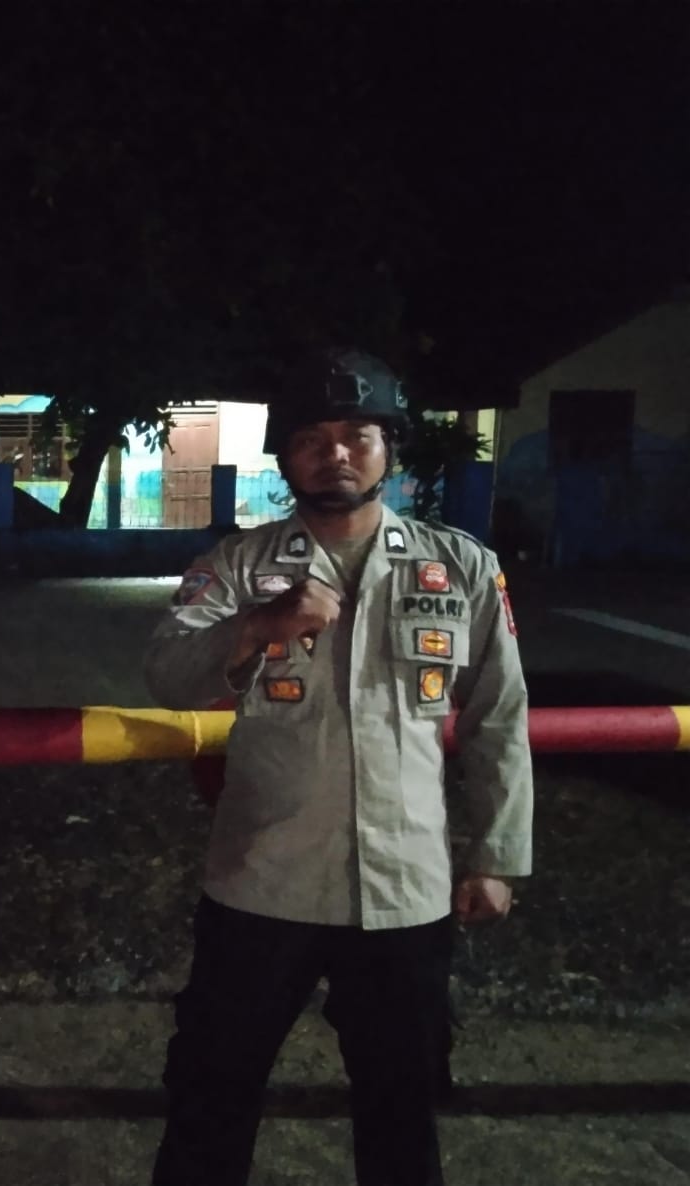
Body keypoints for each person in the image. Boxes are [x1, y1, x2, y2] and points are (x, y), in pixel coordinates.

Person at [144, 348, 532, 1186]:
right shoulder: (239, 565)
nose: (336, 454)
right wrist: (256, 626)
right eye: (311, 439)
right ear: (285, 457)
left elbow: (499, 717)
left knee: (402, 1110)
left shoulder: (461, 567)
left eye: (358, 434)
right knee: (211, 1099)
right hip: (262, 885)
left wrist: (496, 856)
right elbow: (167, 676)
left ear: (391, 447)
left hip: (407, 891)